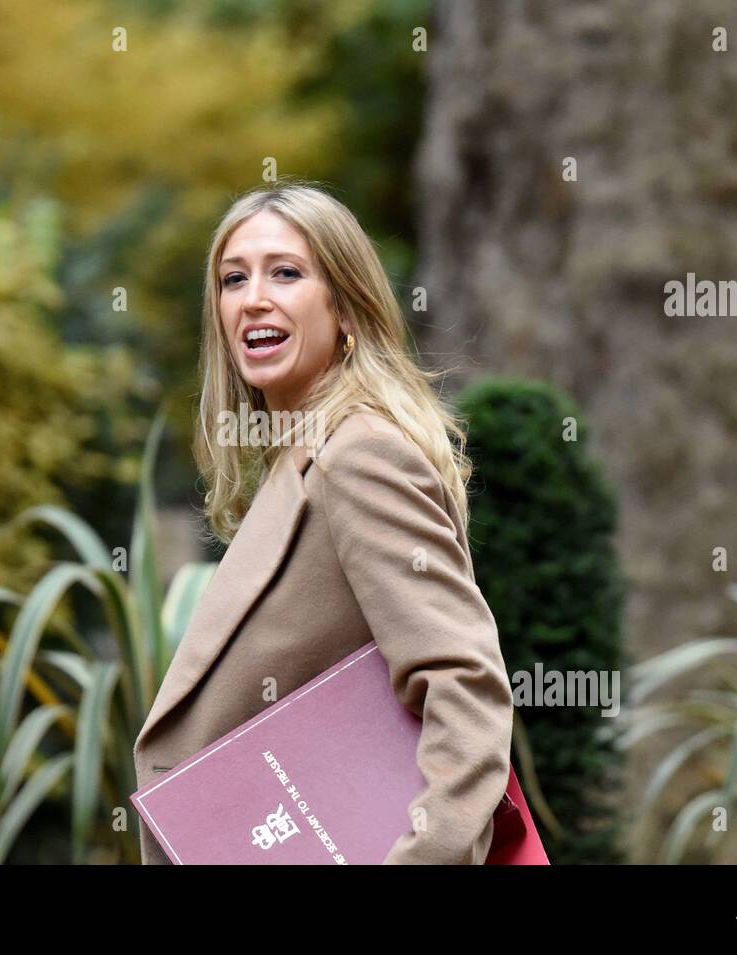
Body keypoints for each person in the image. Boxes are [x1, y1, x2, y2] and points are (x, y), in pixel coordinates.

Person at [132, 181, 514, 864]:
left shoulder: (361, 454)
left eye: (286, 272)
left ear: (344, 305)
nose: (253, 298)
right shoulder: (304, 461)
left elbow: (464, 683)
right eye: (232, 278)